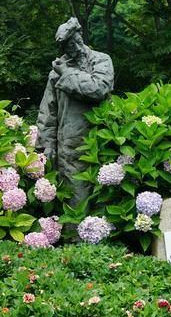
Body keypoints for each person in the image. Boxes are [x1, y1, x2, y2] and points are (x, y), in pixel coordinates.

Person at [36, 17, 115, 202]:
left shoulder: (101, 60)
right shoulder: (57, 71)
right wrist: (46, 144)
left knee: (103, 200)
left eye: (77, 41)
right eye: (70, 45)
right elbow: (48, 110)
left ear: (81, 36)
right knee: (75, 201)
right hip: (70, 148)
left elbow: (98, 88)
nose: (76, 47)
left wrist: (67, 74)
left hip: (102, 144)